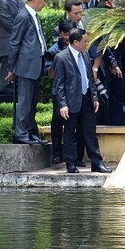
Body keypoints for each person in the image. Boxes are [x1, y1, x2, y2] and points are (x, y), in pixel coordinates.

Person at [53, 28, 112, 174]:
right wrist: (62, 104)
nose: (87, 43)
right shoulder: (61, 58)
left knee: (90, 132)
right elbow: (59, 84)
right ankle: (71, 163)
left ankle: (97, 163)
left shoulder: (85, 55)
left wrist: (95, 97)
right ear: (75, 42)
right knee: (70, 133)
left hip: (87, 99)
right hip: (71, 101)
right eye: (85, 41)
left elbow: (90, 79)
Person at [6, 0, 49, 145]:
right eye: (43, 0)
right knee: (25, 101)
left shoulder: (34, 15)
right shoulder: (23, 16)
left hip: (36, 65)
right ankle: (21, 133)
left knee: (32, 101)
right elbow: (14, 42)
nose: (45, 4)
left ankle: (30, 132)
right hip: (26, 66)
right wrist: (11, 68)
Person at [45, 21, 85, 165]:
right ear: (61, 34)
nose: (69, 37)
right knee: (57, 122)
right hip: (60, 92)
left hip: (75, 92)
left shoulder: (80, 48)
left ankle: (77, 157)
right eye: (66, 34)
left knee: (78, 124)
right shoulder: (54, 51)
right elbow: (50, 75)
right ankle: (57, 154)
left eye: (71, 34)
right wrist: (58, 61)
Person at [0, 0, 24, 90]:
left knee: (19, 85)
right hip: (8, 47)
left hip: (21, 47)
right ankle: (4, 107)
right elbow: (9, 24)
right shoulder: (0, 1)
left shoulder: (19, 1)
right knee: (6, 83)